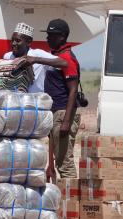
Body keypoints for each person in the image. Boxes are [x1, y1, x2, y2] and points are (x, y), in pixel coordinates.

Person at [42, 19, 81, 179]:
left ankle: (71, 203)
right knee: (58, 162)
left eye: (52, 35)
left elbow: (73, 91)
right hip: (56, 113)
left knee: (64, 164)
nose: (48, 39)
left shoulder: (67, 59)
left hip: (63, 114)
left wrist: (66, 122)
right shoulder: (57, 57)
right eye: (48, 35)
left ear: (62, 37)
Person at [3, 22, 68, 93]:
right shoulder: (7, 56)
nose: (13, 43)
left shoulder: (37, 54)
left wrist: (36, 60)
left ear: (29, 42)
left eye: (18, 41)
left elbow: (64, 63)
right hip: (14, 100)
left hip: (35, 101)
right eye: (12, 40)